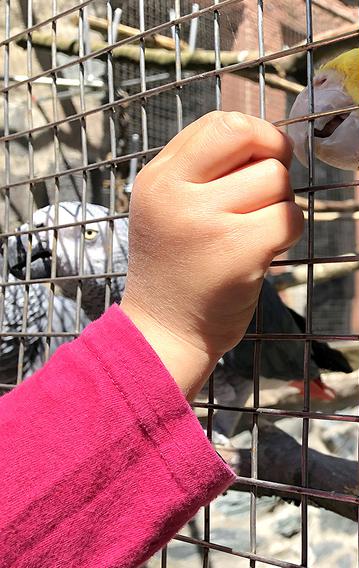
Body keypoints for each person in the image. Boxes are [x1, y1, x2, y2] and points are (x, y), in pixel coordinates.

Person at [0, 111, 304, 567]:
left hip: (263, 368)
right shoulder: (89, 311)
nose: (43, 245)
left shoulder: (205, 288)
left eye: (86, 233)